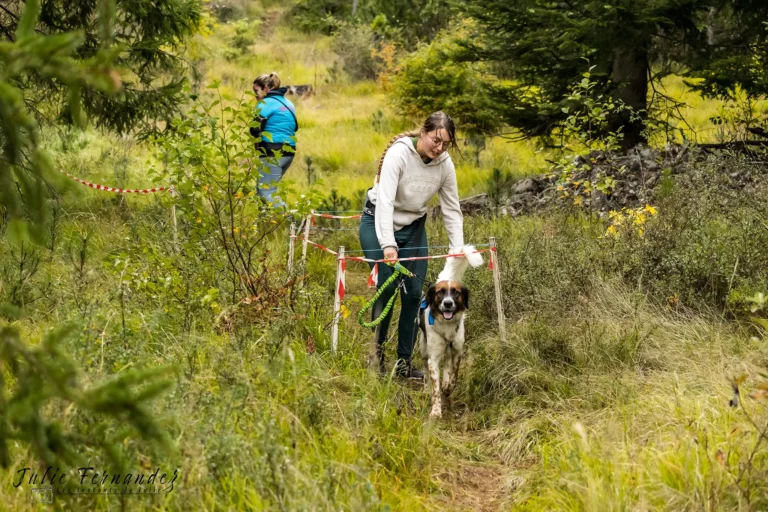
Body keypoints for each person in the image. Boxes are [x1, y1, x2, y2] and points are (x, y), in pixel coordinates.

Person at [359, 111, 464, 380]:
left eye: (445, 144)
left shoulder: (444, 164)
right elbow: (384, 202)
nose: (439, 148)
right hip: (378, 225)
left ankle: (403, 363)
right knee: (388, 287)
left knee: (414, 293)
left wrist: (457, 249)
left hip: (414, 229)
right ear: (423, 132)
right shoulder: (399, 154)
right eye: (435, 140)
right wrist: (388, 245)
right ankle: (376, 356)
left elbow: (451, 209)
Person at [250, 72, 298, 207]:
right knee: (262, 192)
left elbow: (254, 129)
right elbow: (293, 128)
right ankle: (265, 226)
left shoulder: (265, 103)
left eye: (256, 90)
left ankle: (292, 219)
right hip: (289, 152)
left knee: (266, 193)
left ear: (266, 88)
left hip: (272, 152)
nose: (255, 95)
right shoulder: (289, 103)